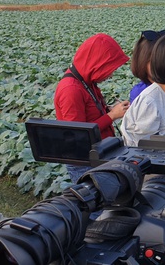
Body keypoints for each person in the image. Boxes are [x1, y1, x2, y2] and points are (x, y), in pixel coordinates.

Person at [54, 33, 130, 182]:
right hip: (85, 161)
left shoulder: (86, 80)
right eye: (109, 69)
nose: (111, 75)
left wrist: (107, 109)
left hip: (98, 154)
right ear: (97, 63)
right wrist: (112, 116)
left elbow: (89, 115)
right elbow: (77, 134)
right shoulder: (71, 89)